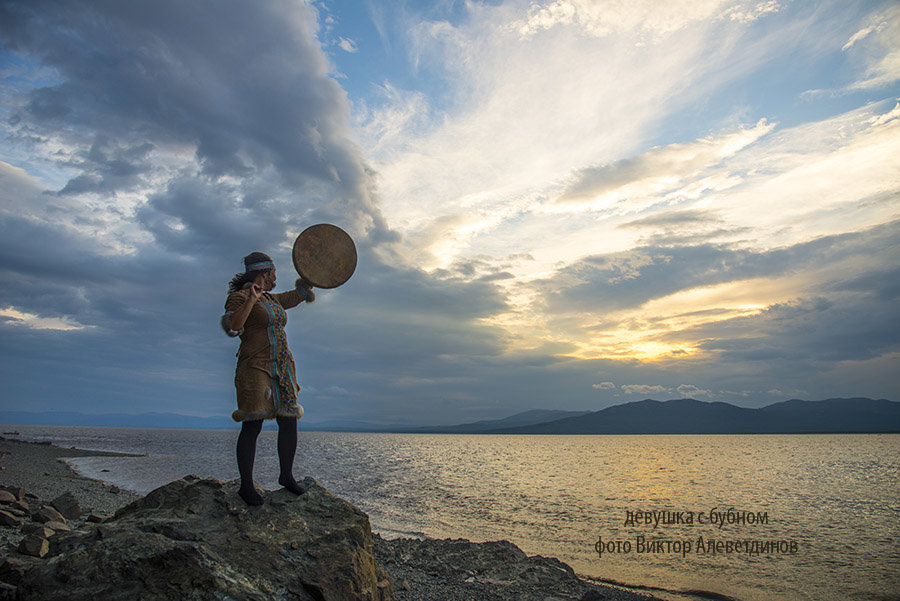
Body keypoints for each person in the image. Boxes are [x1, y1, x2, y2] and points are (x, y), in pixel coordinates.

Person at [221, 252, 315, 506]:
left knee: (289, 420)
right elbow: (233, 325)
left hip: (282, 367)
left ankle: (286, 476)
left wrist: (310, 281)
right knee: (252, 425)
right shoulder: (238, 297)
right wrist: (251, 299)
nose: (276, 278)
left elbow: (294, 297)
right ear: (263, 273)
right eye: (273, 273)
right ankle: (246, 486)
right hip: (255, 367)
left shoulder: (272, 299)